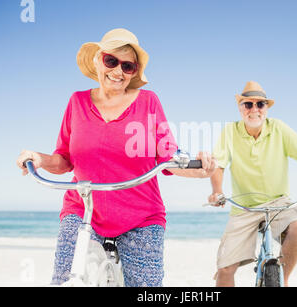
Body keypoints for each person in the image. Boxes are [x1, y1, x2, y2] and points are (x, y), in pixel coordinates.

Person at [16, 28, 216, 286]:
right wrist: (39, 158)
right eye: (111, 61)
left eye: (128, 66)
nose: (118, 71)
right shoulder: (76, 102)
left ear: (134, 72)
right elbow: (64, 159)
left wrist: (200, 170)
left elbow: (168, 157)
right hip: (84, 209)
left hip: (141, 216)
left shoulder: (148, 102)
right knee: (66, 278)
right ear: (98, 60)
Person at [208, 81, 297, 287]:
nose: (254, 109)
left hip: (279, 202)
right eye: (248, 104)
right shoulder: (229, 131)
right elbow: (218, 165)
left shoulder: (278, 128)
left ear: (266, 108)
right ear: (240, 107)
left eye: (260, 104)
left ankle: (283, 279)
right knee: (225, 269)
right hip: (244, 208)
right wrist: (217, 191)